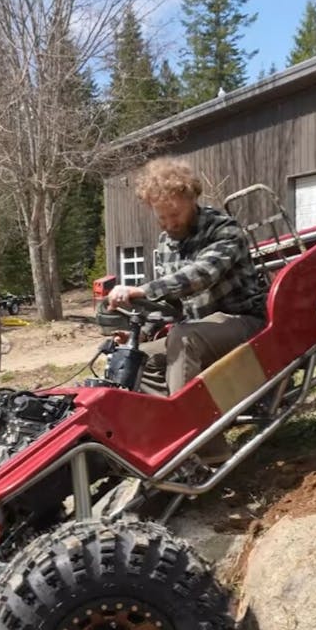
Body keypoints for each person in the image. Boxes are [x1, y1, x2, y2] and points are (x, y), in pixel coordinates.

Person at [107, 157, 267, 464]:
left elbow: (201, 275)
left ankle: (198, 449)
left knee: (183, 337)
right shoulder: (166, 243)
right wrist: (140, 334)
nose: (169, 224)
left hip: (243, 320)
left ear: (192, 198)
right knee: (136, 357)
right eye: (162, 218)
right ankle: (188, 433)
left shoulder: (224, 230)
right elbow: (169, 305)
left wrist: (143, 289)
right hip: (198, 327)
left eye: (175, 215)